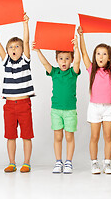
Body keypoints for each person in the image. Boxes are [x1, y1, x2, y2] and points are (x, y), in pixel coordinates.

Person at [0, 13, 34, 173]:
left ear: (22, 50)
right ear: (7, 51)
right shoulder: (6, 61)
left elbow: (26, 41)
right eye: (11, 47)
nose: (14, 49)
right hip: (9, 105)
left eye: (17, 46)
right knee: (10, 135)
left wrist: (25, 24)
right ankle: (12, 162)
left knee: (26, 135)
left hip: (24, 104)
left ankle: (26, 162)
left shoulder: (25, 60)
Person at [78, 25, 111, 174]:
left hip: (109, 108)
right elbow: (83, 52)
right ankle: (94, 163)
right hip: (94, 107)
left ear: (109, 57)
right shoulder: (91, 69)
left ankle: (107, 163)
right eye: (98, 53)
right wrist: (81, 36)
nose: (101, 57)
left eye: (104, 54)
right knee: (94, 136)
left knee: (108, 136)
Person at [32, 36, 81, 174]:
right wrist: (38, 51)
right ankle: (58, 161)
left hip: (70, 111)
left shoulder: (73, 72)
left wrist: (76, 47)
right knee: (57, 137)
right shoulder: (54, 72)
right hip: (56, 110)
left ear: (70, 60)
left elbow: (78, 61)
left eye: (67, 58)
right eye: (61, 58)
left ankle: (69, 162)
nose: (64, 61)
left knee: (69, 137)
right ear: (57, 60)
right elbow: (45, 64)